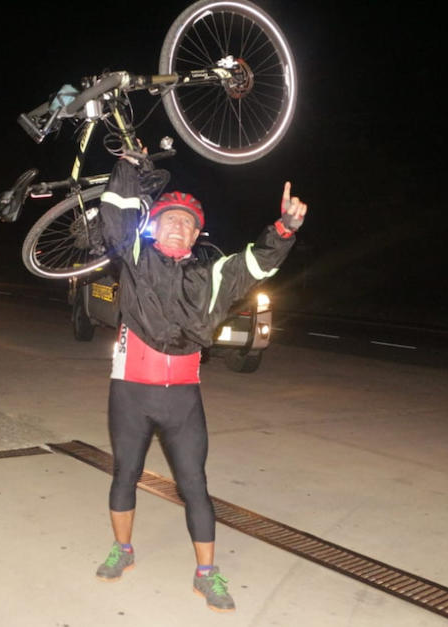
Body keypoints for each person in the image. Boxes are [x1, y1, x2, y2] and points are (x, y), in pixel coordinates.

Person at [93, 154, 307, 613]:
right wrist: (127, 167)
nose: (178, 227)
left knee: (194, 485)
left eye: (187, 223)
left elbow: (257, 263)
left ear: (195, 236)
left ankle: (206, 574)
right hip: (130, 393)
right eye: (170, 219)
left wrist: (284, 229)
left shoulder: (212, 276)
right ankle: (122, 550)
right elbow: (114, 218)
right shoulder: (135, 259)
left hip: (183, 401)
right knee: (125, 474)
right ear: (154, 226)